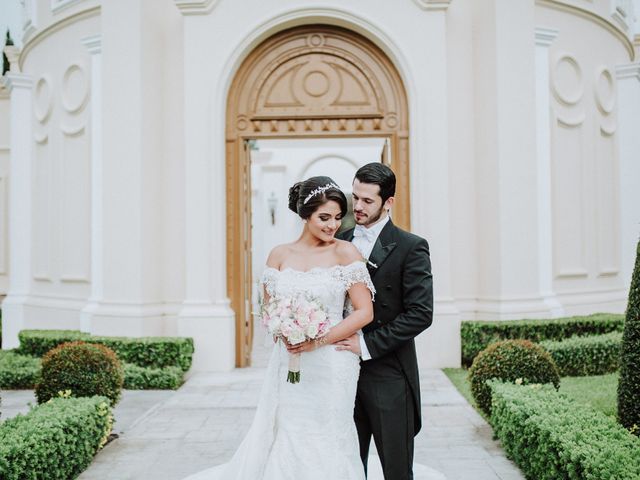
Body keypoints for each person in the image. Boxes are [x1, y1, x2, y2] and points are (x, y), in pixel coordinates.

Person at [183, 176, 375, 480]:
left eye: (338, 217)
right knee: (291, 427)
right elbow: (270, 311)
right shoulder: (279, 255)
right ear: (305, 215)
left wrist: (318, 339)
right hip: (290, 359)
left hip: (333, 361)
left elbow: (364, 312)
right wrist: (284, 328)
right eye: (324, 218)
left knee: (329, 431)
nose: (332, 226)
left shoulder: (345, 253)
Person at [335, 163, 434, 480]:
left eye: (367, 200)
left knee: (396, 468)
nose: (358, 207)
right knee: (348, 466)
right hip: (341, 373)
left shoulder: (411, 247)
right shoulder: (340, 239)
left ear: (388, 202)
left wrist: (366, 344)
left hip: (389, 373)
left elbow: (420, 313)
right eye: (355, 197)